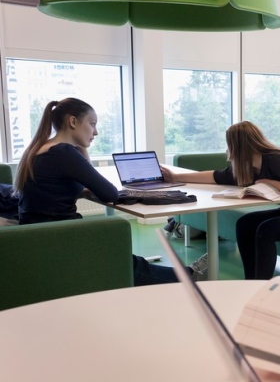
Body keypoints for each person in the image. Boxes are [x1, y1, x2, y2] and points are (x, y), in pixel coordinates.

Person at [14, 97, 208, 285]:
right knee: (118, 253)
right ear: (73, 122)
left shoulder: (41, 148)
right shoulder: (64, 152)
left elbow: (66, 186)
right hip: (58, 234)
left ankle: (183, 275)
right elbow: (109, 194)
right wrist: (81, 150)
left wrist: (81, 152)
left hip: (37, 231)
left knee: (120, 254)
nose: (95, 132)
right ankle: (187, 277)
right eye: (92, 124)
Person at [162, 121, 280, 280]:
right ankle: (250, 280)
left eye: (229, 144)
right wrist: (175, 177)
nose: (227, 149)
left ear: (238, 145)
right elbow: (214, 176)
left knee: (266, 230)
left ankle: (261, 285)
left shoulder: (274, 159)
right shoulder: (247, 167)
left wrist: (270, 182)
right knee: (245, 224)